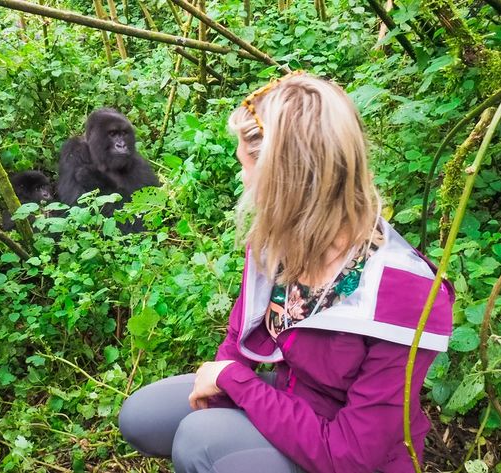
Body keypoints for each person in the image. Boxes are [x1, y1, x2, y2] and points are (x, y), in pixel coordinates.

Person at [118, 72, 454, 473]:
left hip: (346, 451)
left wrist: (234, 385)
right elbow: (238, 337)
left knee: (200, 441)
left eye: (247, 165)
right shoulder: (280, 243)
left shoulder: (404, 294)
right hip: (290, 399)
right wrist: (225, 386)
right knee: (143, 417)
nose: (242, 179)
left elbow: (351, 456)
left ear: (288, 181)